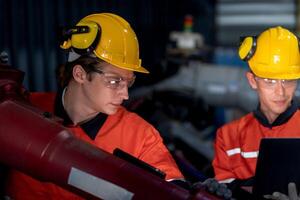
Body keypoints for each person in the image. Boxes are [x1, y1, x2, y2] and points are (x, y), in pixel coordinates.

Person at [4, 13, 185, 199]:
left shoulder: (139, 136)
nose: (125, 94)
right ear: (80, 74)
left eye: (128, 83)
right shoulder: (20, 110)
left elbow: (172, 190)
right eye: (115, 81)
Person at [212, 26, 300, 198]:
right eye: (269, 81)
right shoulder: (229, 137)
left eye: (288, 81)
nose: (280, 92)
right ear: (252, 81)